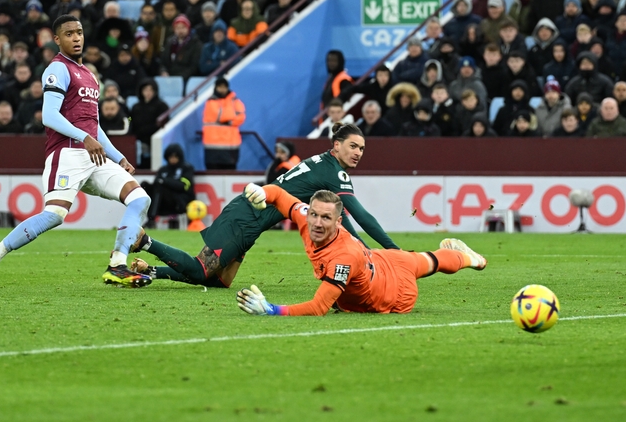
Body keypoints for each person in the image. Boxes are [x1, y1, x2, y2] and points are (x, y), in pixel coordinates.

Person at [0, 15, 153, 291]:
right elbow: (49, 115)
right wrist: (84, 138)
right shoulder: (57, 69)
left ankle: (117, 264)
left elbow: (94, 126)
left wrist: (117, 156)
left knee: (140, 199)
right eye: (69, 34)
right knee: (55, 214)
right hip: (67, 154)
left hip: (94, 156)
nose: (76, 38)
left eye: (79, 32)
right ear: (57, 39)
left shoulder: (90, 75)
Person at [129, 123, 401, 289]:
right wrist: (394, 251)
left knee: (219, 281)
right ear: (337, 145)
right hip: (246, 217)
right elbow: (362, 216)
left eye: (362, 149)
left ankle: (149, 271)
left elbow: (343, 218)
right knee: (202, 269)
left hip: (252, 220)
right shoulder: (334, 172)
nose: (358, 153)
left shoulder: (324, 163)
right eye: (353, 146)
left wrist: (364, 249)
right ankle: (145, 241)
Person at [238, 185, 485, 315]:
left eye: (326, 218)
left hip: (395, 292)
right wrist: (262, 191)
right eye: (314, 214)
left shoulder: (343, 258)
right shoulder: (307, 219)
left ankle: (475, 260)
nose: (317, 223)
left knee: (429, 263)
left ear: (338, 222)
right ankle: (464, 256)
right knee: (429, 260)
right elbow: (279, 195)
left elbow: (318, 307)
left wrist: (272, 310)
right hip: (383, 260)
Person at [141, 143, 195, 225]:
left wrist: (164, 181)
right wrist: (161, 182)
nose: (173, 159)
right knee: (145, 185)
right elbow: (156, 183)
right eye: (171, 156)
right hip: (163, 201)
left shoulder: (186, 168)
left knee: (160, 186)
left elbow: (184, 186)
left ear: (180, 157)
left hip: (179, 201)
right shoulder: (163, 170)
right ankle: (139, 218)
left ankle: (152, 219)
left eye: (175, 156)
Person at [202, 77, 245, 170]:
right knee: (212, 173)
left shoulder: (235, 100)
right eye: (220, 87)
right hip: (213, 146)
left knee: (230, 172)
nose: (222, 89)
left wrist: (230, 120)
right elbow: (219, 116)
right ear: (216, 88)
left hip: (231, 146)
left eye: (224, 87)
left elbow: (241, 117)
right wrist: (232, 117)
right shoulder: (210, 101)